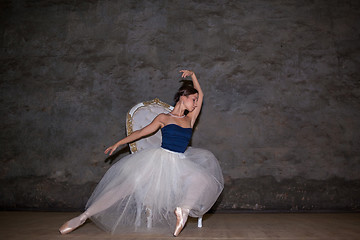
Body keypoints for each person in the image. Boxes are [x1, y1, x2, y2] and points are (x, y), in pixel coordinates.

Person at [59, 70, 224, 236]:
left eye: (196, 101)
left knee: (203, 179)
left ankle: (183, 210)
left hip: (180, 162)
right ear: (183, 97)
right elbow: (141, 132)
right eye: (193, 100)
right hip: (159, 161)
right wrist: (119, 143)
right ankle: (83, 217)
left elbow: (201, 94)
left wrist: (193, 75)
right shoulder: (163, 118)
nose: (196, 104)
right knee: (125, 187)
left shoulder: (190, 118)